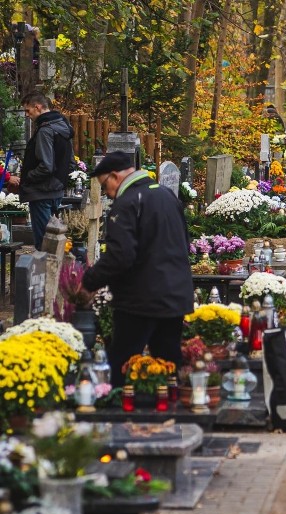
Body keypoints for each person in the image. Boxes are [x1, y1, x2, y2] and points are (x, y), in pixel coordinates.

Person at [82, 152, 194, 386]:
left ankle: (115, 413)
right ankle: (169, 411)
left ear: (114, 177)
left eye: (105, 186)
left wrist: (89, 282)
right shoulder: (166, 196)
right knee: (168, 360)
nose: (107, 193)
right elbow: (185, 242)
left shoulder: (127, 203)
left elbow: (120, 256)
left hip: (140, 299)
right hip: (175, 293)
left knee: (120, 362)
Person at [6, 92, 74, 250]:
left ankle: (45, 275)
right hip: (56, 190)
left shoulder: (45, 130)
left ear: (37, 107)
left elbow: (46, 166)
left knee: (45, 244)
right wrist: (58, 181)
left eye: (28, 111)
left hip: (41, 192)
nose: (28, 115)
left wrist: (27, 178)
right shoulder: (64, 127)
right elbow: (70, 163)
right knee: (54, 241)